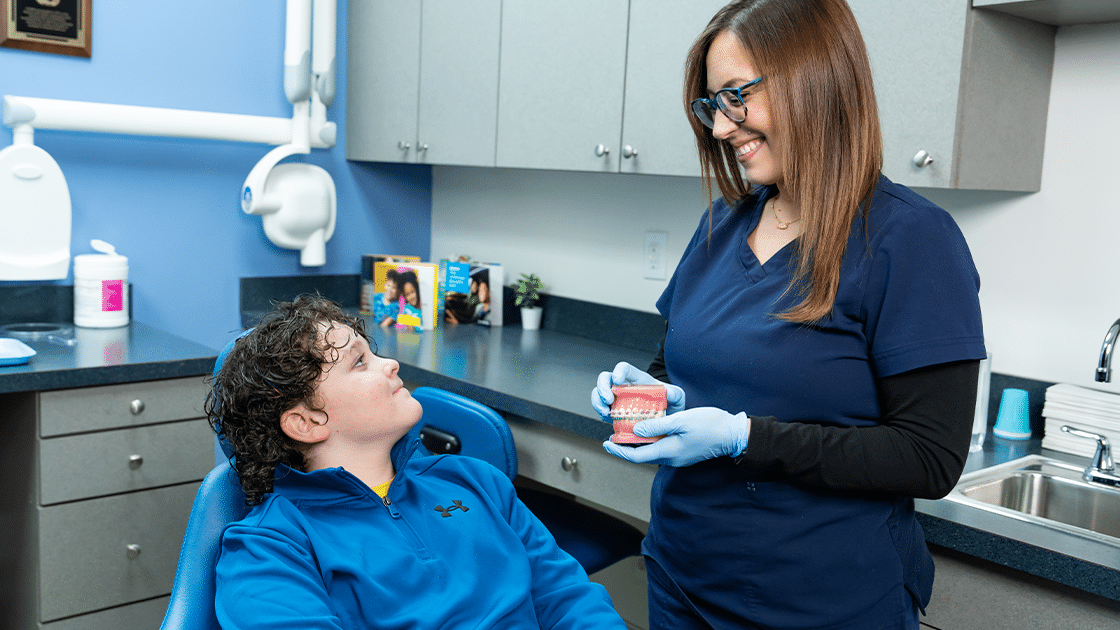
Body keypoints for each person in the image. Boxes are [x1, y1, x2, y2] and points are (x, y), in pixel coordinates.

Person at [590, 1, 985, 628]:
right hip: (681, 577)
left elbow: (928, 458)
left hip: (821, 602)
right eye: (711, 106)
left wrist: (745, 438)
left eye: (735, 97)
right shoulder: (722, 224)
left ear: (816, 79)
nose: (721, 128)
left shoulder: (909, 240)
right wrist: (647, 392)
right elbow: (679, 361)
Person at [209, 294, 626, 629]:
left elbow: (565, 598)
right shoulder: (270, 549)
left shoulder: (475, 482)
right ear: (307, 422)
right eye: (359, 362)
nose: (390, 364)